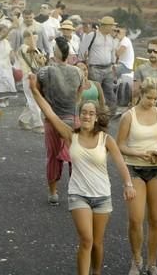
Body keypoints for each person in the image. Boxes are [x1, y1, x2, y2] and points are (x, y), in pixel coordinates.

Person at [29, 73, 136, 275]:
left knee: (97, 243)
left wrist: (128, 184)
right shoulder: (71, 136)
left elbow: (121, 164)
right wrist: (35, 90)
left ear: (97, 117)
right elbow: (50, 113)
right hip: (78, 194)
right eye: (84, 113)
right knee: (86, 239)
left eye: (91, 113)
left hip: (102, 196)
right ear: (80, 116)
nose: (87, 116)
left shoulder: (106, 139)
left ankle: (96, 271)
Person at [116, 77, 157, 275]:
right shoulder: (128, 116)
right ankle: (136, 258)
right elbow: (120, 146)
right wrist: (140, 153)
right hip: (135, 168)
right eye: (149, 98)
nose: (152, 102)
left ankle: (152, 263)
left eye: (156, 99)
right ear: (141, 94)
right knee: (135, 219)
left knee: (156, 219)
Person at [37, 36, 84, 206]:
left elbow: (38, 93)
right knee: (75, 158)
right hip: (72, 118)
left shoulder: (45, 71)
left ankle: (53, 192)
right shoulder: (77, 71)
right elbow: (80, 93)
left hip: (53, 119)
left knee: (53, 157)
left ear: (54, 52)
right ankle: (75, 193)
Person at [78, 16, 118, 112]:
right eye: (111, 26)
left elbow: (112, 53)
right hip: (95, 68)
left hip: (108, 68)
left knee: (109, 92)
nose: (113, 28)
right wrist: (83, 64)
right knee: (95, 92)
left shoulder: (110, 38)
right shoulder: (92, 35)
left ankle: (110, 114)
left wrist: (113, 65)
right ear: (105, 26)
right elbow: (82, 50)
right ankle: (95, 112)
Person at [17, 30, 46, 132]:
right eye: (34, 39)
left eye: (36, 39)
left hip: (37, 76)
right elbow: (32, 48)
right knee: (34, 101)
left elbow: (42, 62)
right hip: (27, 76)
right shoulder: (23, 47)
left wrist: (41, 59)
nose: (35, 41)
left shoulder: (36, 49)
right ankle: (38, 125)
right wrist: (30, 34)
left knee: (33, 100)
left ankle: (23, 120)